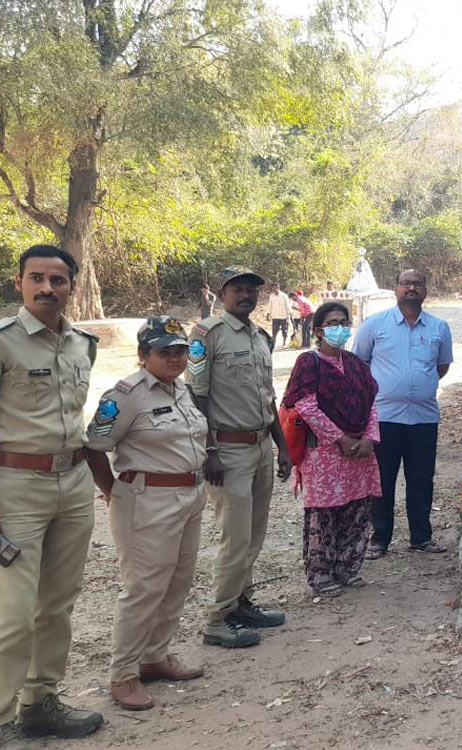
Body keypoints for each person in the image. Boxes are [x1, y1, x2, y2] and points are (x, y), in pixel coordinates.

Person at [0, 245, 104, 747]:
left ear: (72, 285)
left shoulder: (82, 344)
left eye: (58, 280)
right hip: (16, 487)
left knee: (58, 604)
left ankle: (40, 702)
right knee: (13, 613)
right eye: (37, 278)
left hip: (72, 483)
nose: (47, 288)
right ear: (19, 283)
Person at [85, 316, 211, 711]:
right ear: (143, 356)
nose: (174, 358)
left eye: (179, 350)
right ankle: (123, 674)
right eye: (164, 351)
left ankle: (155, 656)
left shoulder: (182, 391)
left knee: (177, 580)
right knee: (143, 589)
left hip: (189, 497)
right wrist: (112, 491)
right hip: (146, 500)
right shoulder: (124, 395)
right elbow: (93, 445)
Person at [188, 267, 292, 647]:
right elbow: (196, 395)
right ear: (221, 293)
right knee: (234, 537)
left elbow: (269, 398)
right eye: (238, 289)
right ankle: (217, 618)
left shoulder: (259, 336)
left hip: (261, 445)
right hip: (227, 451)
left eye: (252, 290)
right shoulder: (206, 335)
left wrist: (282, 447)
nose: (246, 295)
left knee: (253, 534)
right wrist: (209, 450)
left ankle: (240, 603)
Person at [282, 302, 380, 597]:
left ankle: (347, 567)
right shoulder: (308, 363)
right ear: (318, 330)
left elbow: (372, 403)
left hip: (360, 451)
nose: (340, 328)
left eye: (344, 322)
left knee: (356, 508)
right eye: (333, 323)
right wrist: (340, 439)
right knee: (323, 513)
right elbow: (306, 406)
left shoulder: (355, 364)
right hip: (324, 452)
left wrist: (369, 438)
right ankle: (321, 572)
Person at [352, 269, 452, 558]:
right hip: (384, 417)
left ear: (425, 290)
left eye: (417, 283)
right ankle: (379, 538)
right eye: (405, 283)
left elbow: (442, 367)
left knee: (421, 479)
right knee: (382, 480)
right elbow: (360, 365)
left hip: (423, 417)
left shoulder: (439, 328)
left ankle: (421, 537)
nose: (411, 288)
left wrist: (417, 383)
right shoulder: (375, 325)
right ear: (395, 289)